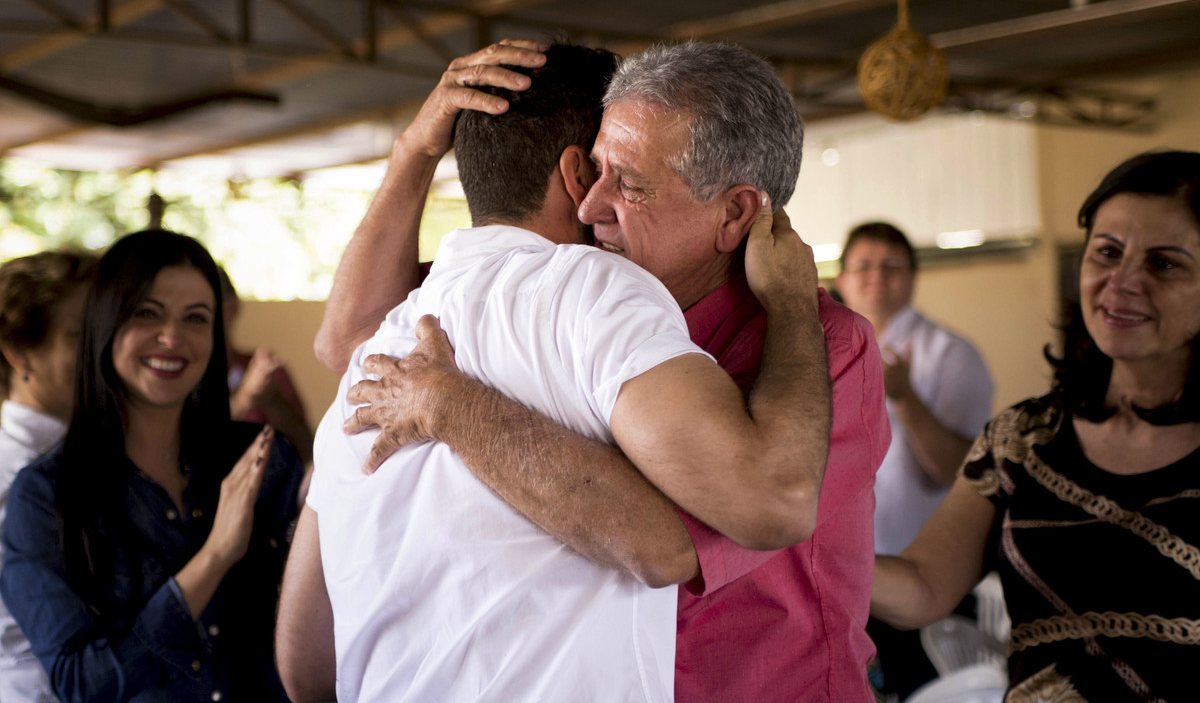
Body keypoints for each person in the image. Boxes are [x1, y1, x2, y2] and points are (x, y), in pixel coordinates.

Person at [308, 40, 890, 702]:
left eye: (630, 185)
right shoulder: (567, 304)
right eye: (596, 171)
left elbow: (685, 536)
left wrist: (453, 407)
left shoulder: (822, 346)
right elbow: (350, 340)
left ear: (733, 213)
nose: (588, 207)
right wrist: (415, 150)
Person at [871, 150, 1200, 702]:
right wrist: (792, 538)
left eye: (1164, 263)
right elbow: (924, 587)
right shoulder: (1022, 440)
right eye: (1107, 252)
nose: (1122, 282)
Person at [0, 230, 304, 703]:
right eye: (147, 313)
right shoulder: (45, 493)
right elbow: (84, 684)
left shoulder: (263, 459)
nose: (172, 338)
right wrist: (215, 556)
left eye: (196, 318)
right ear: (105, 324)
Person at [836, 221, 993, 697]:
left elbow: (957, 473)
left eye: (892, 266)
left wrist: (904, 397)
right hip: (839, 572)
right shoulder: (821, 351)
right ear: (841, 278)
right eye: (863, 266)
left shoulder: (952, 355)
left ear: (913, 276)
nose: (877, 277)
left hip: (924, 575)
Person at [0, 249, 95, 702]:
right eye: (80, 336)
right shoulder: (12, 476)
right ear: (20, 353)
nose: (102, 352)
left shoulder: (95, 452)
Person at [218, 266, 314, 464]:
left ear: (233, 307)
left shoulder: (265, 370)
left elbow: (306, 450)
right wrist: (244, 399)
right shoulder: (180, 374)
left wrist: (271, 399)